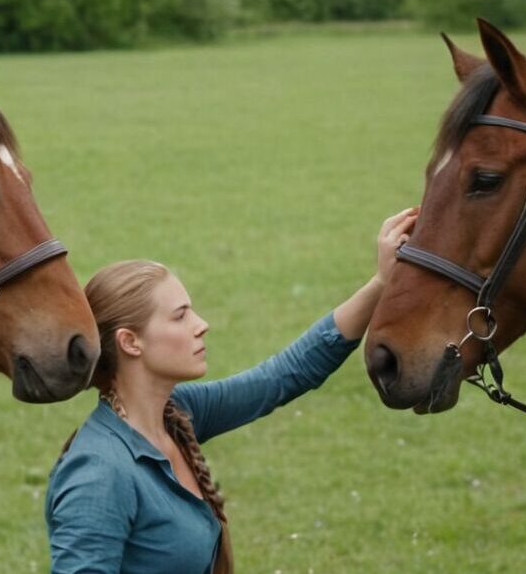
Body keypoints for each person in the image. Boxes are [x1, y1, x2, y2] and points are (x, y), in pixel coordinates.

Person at [45, 206, 419, 574]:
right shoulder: (98, 473)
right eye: (180, 315)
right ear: (130, 342)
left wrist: (382, 282)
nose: (201, 325)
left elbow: (283, 377)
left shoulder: (173, 415)